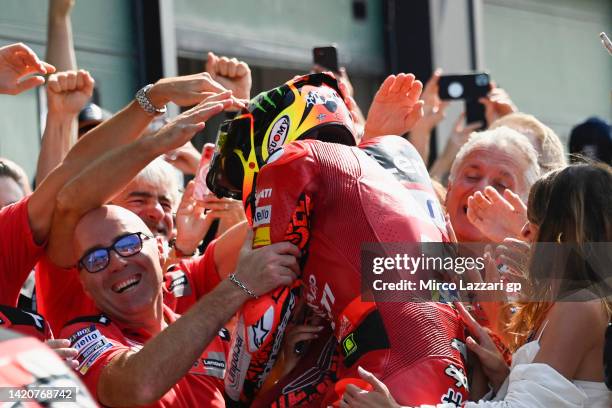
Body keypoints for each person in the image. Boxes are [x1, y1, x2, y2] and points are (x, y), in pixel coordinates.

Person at [208, 72, 468, 407]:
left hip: (388, 366)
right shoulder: (394, 156)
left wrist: (233, 396)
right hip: (446, 365)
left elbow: (262, 319)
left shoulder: (294, 159)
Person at [47, 95, 300, 407]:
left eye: (129, 244)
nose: (115, 261)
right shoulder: (79, 334)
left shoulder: (201, 322)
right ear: (82, 277)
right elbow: (135, 385)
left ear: (158, 246)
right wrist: (152, 113)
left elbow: (274, 221)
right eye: (97, 259)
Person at [341, 163, 612, 407]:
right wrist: (503, 376)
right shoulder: (574, 303)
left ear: (565, 234)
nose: (525, 231)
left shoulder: (580, 305)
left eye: (537, 220)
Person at [446, 126, 540, 244]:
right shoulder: (418, 248)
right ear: (449, 187)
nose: (481, 189)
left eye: (501, 185)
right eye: (472, 176)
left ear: (526, 207)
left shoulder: (546, 259)